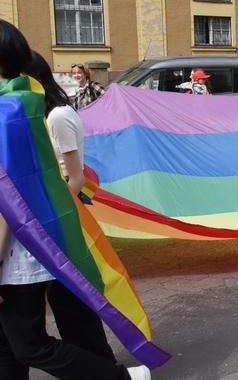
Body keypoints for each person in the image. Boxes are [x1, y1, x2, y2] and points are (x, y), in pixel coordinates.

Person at [0, 21, 149, 380]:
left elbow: (14, 195)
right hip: (43, 228)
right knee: (23, 337)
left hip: (33, 236)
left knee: (38, 337)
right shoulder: (23, 106)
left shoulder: (23, 114)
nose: (76, 73)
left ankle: (119, 376)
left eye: (79, 70)